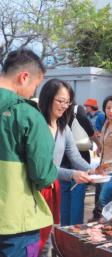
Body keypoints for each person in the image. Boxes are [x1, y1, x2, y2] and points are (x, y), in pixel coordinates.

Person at [0, 49, 58, 257]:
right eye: (35, 85)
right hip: (15, 226)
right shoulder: (26, 114)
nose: (34, 92)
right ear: (24, 77)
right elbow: (42, 174)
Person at [38, 78, 93, 253]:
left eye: (67, 102)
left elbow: (75, 157)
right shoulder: (37, 125)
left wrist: (93, 170)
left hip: (51, 188)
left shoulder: (64, 128)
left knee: (47, 235)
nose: (64, 106)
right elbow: (43, 167)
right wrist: (72, 174)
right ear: (47, 98)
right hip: (35, 189)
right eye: (60, 101)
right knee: (34, 238)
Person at [60, 102, 102, 226]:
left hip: (62, 157)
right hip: (79, 156)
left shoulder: (57, 113)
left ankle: (65, 228)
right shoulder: (77, 109)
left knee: (65, 196)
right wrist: (98, 144)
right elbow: (89, 128)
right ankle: (75, 229)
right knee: (77, 195)